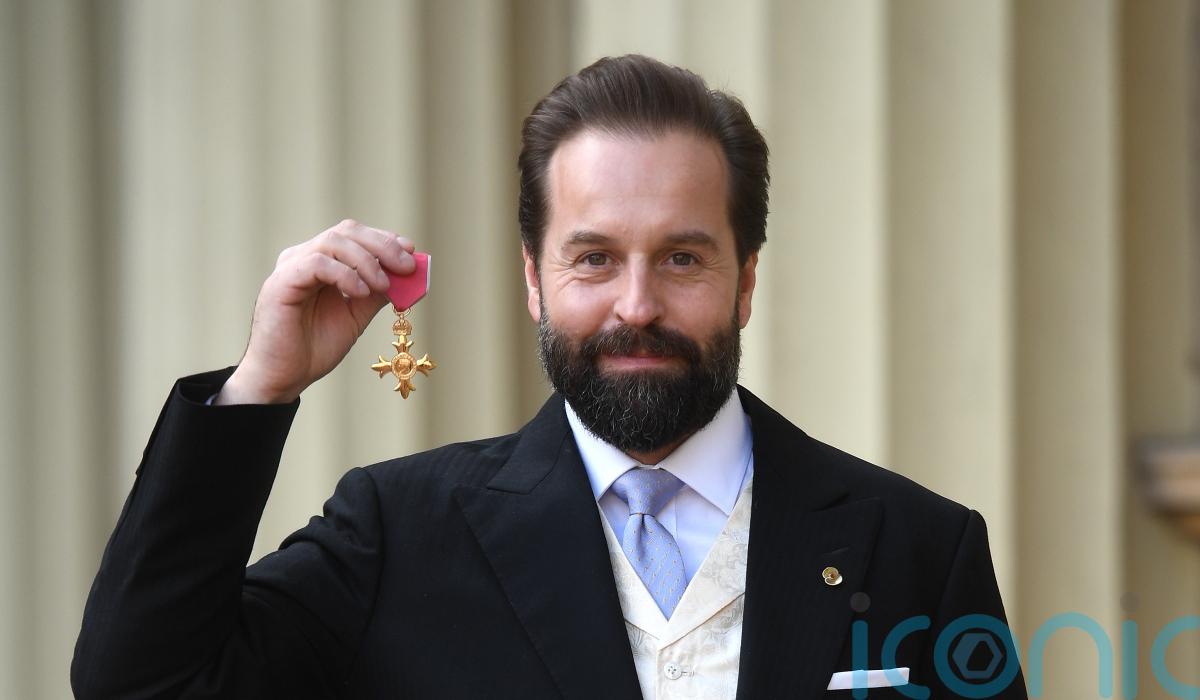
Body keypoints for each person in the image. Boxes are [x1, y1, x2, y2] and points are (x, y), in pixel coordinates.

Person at [72, 55, 1027, 699]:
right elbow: (142, 683)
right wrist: (262, 384)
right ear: (534, 278)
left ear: (746, 282)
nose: (637, 304)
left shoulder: (920, 549)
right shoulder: (397, 534)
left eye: (683, 258)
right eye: (594, 258)